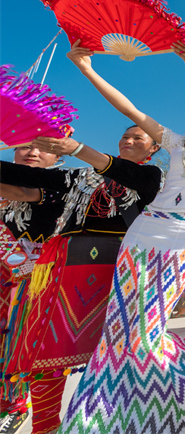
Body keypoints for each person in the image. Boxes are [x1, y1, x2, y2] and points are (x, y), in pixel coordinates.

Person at [60, 39, 185, 433]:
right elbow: (131, 110)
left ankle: (184, 381)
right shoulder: (177, 143)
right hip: (145, 230)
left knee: (148, 326)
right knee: (119, 325)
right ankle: (98, 417)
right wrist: (86, 67)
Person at [0, 127, 162, 434]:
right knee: (46, 348)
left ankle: (114, 419)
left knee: (120, 351)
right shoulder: (78, 176)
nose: (128, 141)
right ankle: (46, 425)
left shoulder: (153, 178)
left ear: (153, 149)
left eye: (138, 139)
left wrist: (76, 147)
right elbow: (29, 180)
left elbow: (136, 181)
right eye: (124, 136)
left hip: (120, 269)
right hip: (65, 265)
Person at [0, 143, 64, 434]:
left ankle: (22, 408)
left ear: (58, 155)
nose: (32, 152)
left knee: (30, 347)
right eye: (24, 146)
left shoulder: (64, 184)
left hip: (39, 277)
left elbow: (27, 194)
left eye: (42, 148)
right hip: (4, 277)